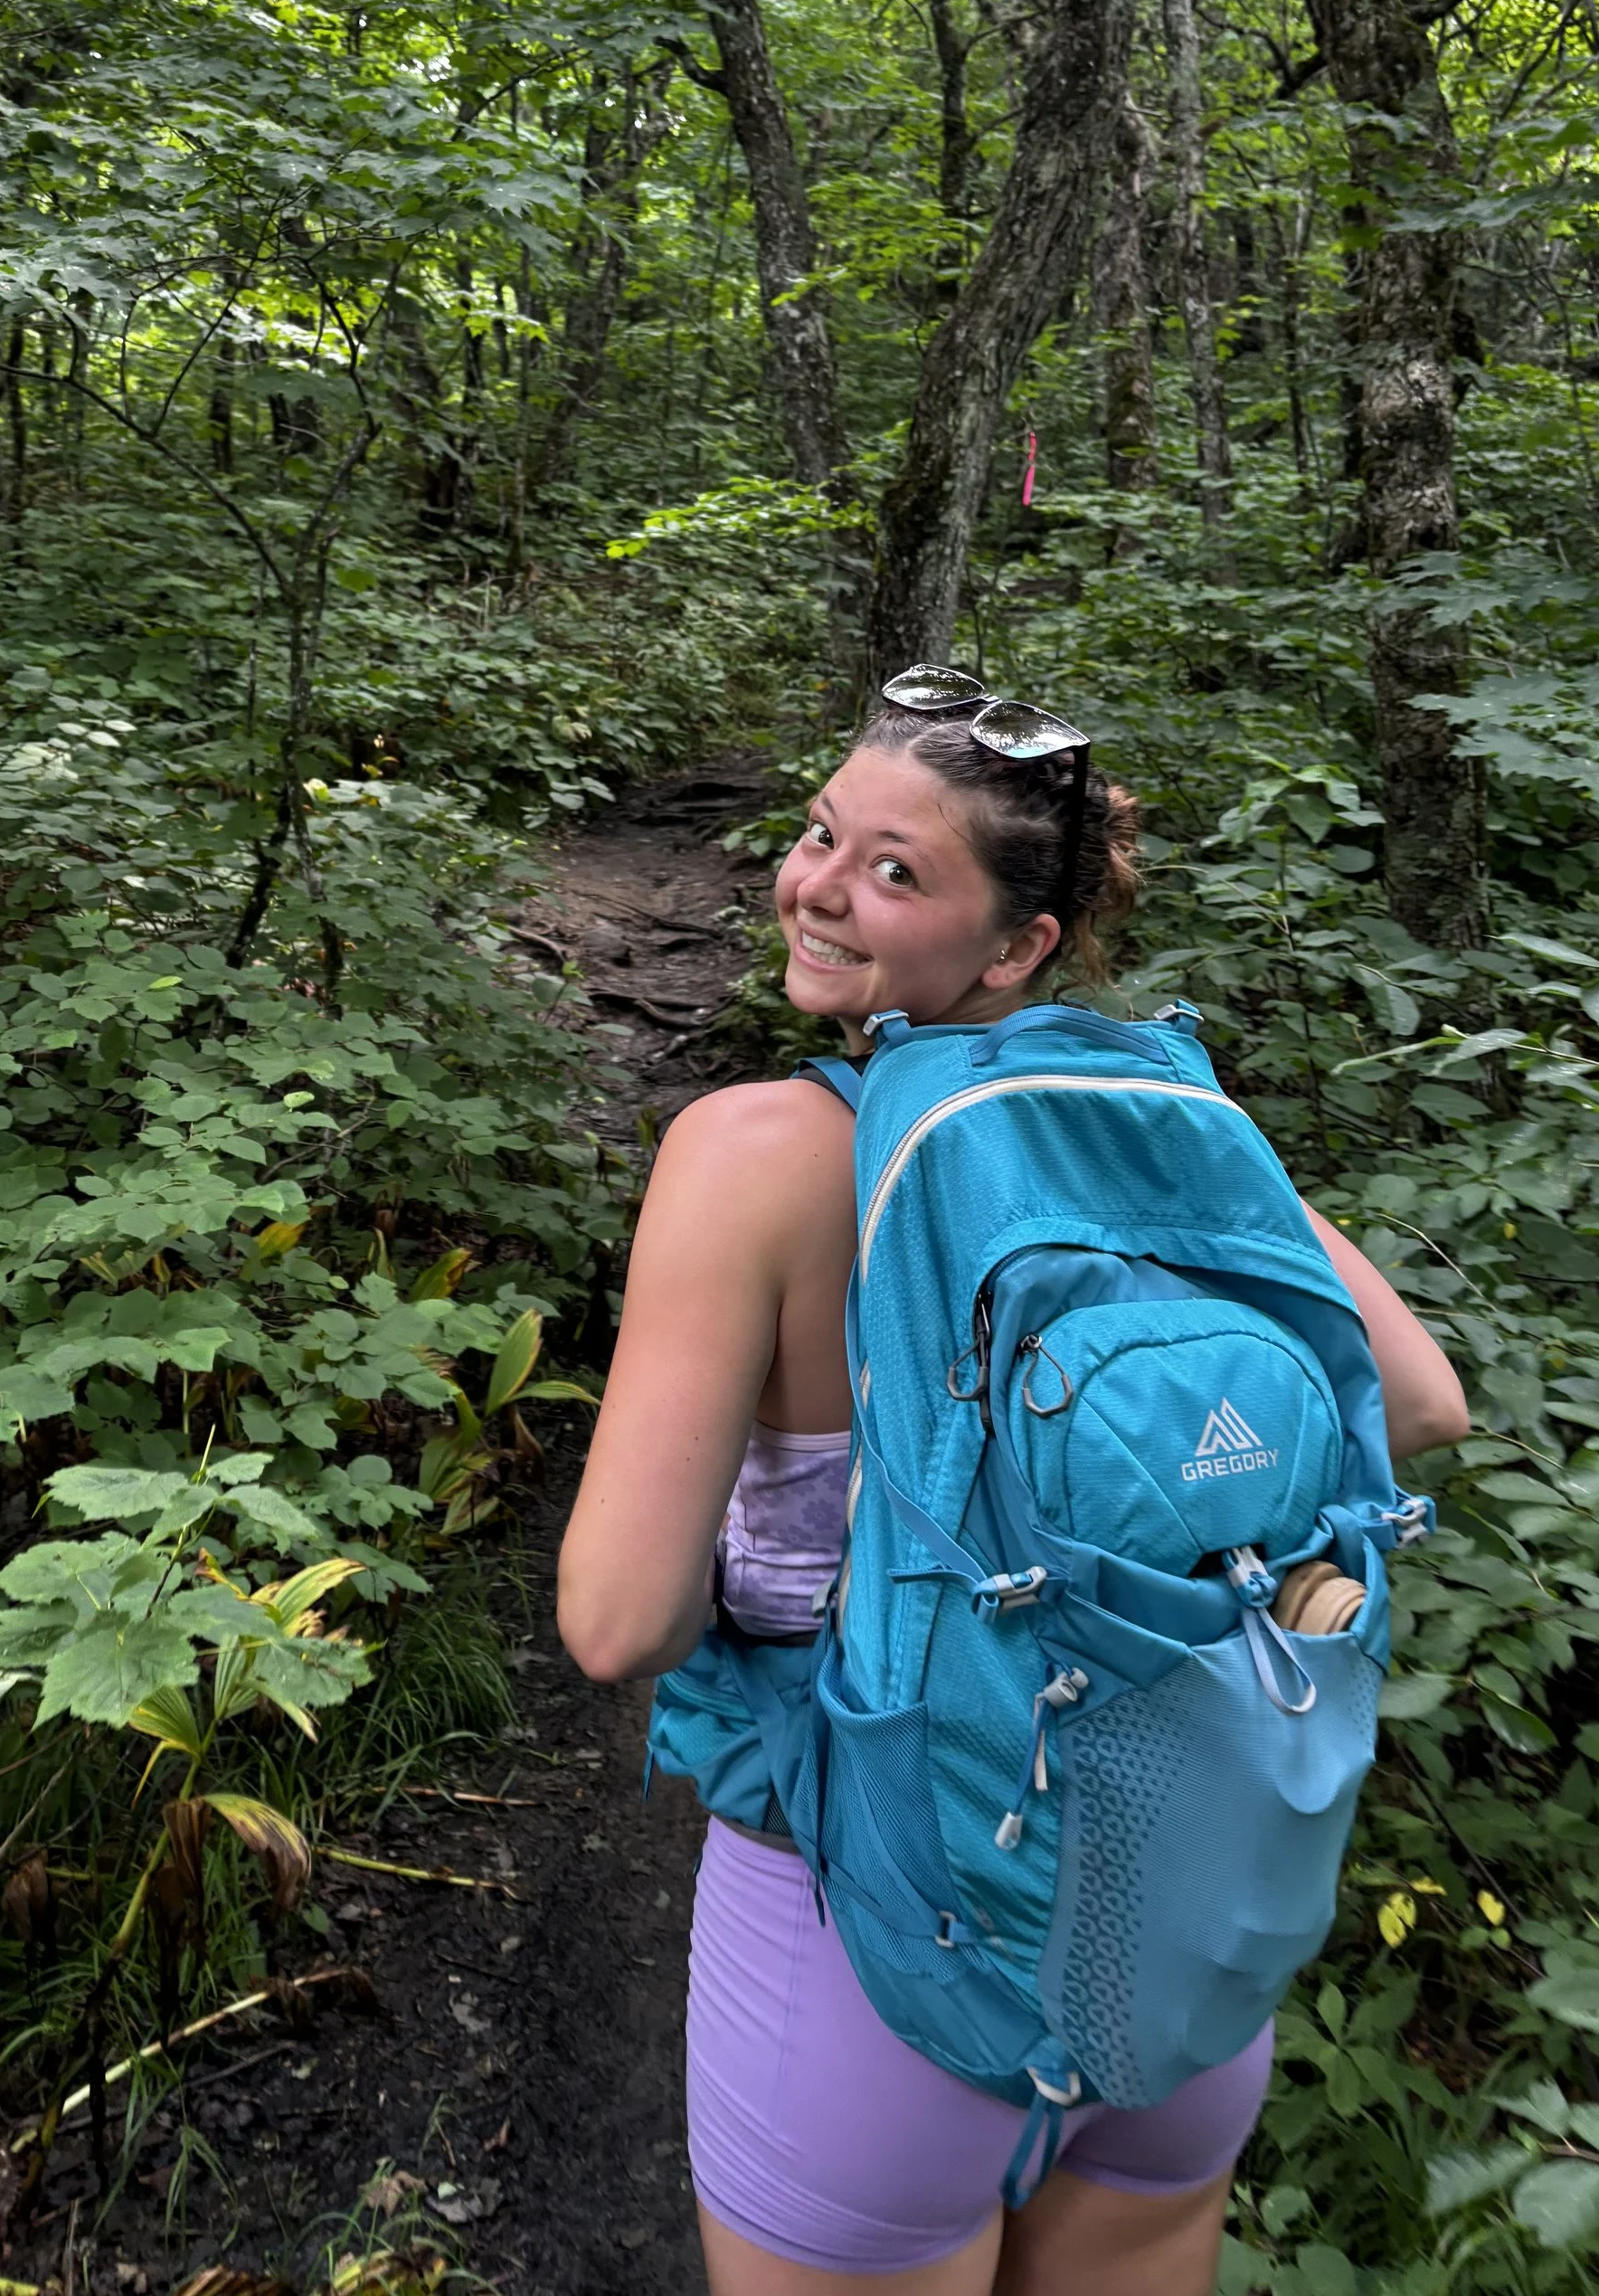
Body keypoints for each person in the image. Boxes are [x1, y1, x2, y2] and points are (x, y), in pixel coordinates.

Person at [559, 688, 1471, 2296]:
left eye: (897, 873)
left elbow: (617, 1621)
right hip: (1166, 1926)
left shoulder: (754, 1154)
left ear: (1017, 946)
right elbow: (1420, 1404)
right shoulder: (1171, 1128)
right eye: (821, 835)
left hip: (870, 1944)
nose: (820, 885)